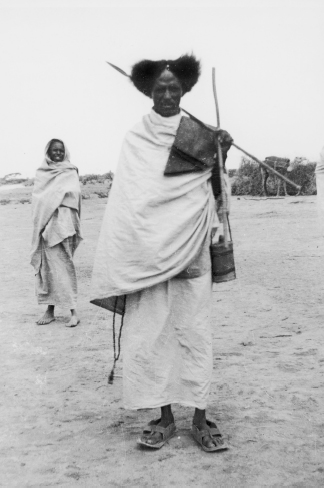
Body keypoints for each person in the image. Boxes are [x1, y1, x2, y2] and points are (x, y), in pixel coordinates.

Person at [91, 55, 233, 451]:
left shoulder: (201, 133)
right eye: (160, 88)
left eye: (174, 88)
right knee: (152, 334)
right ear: (147, 92)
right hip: (147, 255)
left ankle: (201, 418)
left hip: (192, 249)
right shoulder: (137, 138)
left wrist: (224, 149)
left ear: (185, 90)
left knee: (194, 332)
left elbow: (214, 188)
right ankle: (165, 418)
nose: (168, 94)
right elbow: (131, 200)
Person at [31, 139, 82, 327]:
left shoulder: (70, 170)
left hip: (64, 223)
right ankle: (50, 310)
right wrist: (44, 218)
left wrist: (57, 204)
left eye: (61, 150)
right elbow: (39, 200)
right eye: (54, 151)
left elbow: (73, 195)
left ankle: (73, 311)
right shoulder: (42, 173)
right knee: (47, 268)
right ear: (48, 152)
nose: (58, 154)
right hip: (46, 225)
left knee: (65, 265)